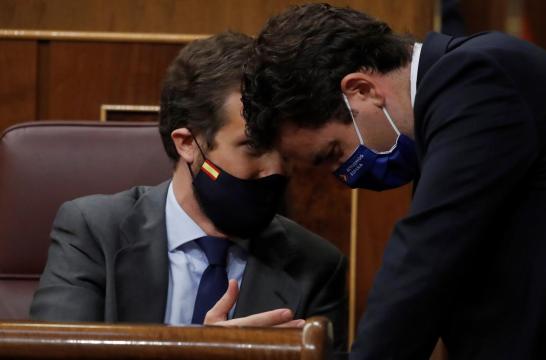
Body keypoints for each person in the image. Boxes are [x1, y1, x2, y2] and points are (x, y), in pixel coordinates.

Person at [241, 4, 546, 359]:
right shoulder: (449, 108)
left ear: (360, 90)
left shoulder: (476, 77)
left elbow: (425, 259)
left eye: (332, 154)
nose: (344, 175)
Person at [30, 31, 347, 351]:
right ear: (187, 144)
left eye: (283, 150)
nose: (276, 170)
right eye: (252, 147)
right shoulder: (94, 231)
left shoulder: (315, 265)